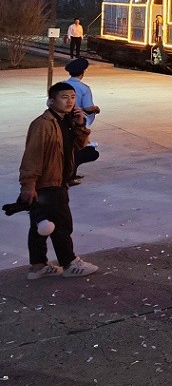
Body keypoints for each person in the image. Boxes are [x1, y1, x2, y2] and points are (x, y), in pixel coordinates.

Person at [19, 82, 99, 280]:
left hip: (58, 179)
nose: (70, 101)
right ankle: (69, 263)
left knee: (42, 226)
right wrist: (28, 184)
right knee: (62, 223)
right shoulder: (43, 124)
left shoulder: (65, 120)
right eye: (64, 97)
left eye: (72, 97)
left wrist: (80, 125)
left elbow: (78, 146)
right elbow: (32, 155)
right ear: (51, 100)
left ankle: (38, 266)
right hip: (48, 182)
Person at [64, 57, 101, 185]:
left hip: (64, 121)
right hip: (79, 121)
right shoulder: (84, 88)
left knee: (70, 147)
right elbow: (88, 107)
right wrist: (96, 109)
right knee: (80, 148)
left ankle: (71, 172)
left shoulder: (62, 85)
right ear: (82, 73)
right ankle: (70, 176)